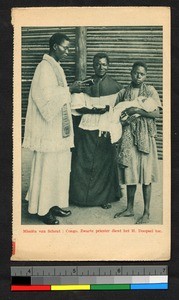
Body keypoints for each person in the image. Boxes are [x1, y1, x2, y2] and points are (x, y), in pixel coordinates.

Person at [23, 33, 82, 225]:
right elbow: (43, 99)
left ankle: (54, 203)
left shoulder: (55, 67)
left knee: (59, 167)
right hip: (48, 130)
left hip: (58, 128)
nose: (67, 51)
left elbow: (58, 95)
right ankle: (42, 209)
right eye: (65, 47)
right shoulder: (44, 68)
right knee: (48, 168)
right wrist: (69, 90)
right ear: (55, 46)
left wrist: (70, 90)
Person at [69, 52, 123, 208]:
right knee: (82, 161)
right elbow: (76, 107)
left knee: (104, 163)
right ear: (93, 65)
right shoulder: (84, 84)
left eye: (104, 64)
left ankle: (103, 198)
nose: (101, 67)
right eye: (98, 64)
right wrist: (93, 111)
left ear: (108, 65)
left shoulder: (116, 86)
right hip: (87, 127)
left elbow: (118, 109)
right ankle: (79, 197)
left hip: (105, 128)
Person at [114, 61, 162, 224]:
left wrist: (137, 110)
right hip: (128, 137)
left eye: (142, 74)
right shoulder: (123, 92)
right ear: (131, 73)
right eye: (135, 73)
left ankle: (147, 212)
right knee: (131, 173)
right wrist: (123, 120)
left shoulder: (150, 91)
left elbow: (156, 113)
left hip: (145, 138)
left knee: (146, 174)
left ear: (145, 75)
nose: (138, 76)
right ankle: (129, 209)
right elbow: (116, 114)